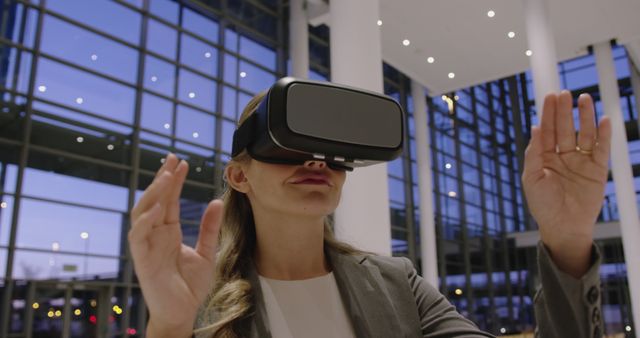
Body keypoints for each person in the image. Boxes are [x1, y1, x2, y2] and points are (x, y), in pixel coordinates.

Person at [128, 88, 611, 338]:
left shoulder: (397, 284)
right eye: (289, 144)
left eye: (330, 148)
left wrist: (566, 241)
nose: (316, 161)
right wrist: (170, 329)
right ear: (239, 177)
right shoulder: (196, 298)